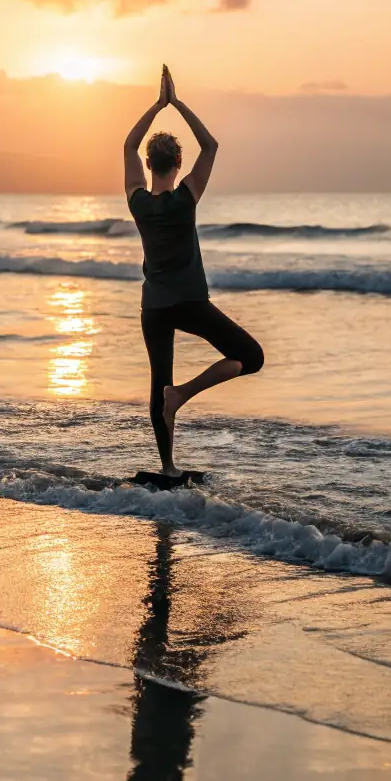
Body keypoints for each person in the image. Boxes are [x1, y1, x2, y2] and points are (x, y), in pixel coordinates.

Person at [124, 66, 264, 476]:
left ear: (149, 165)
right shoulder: (187, 197)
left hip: (154, 307)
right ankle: (183, 394)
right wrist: (177, 102)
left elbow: (127, 146)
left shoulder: (137, 202)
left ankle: (168, 467)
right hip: (190, 303)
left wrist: (156, 105)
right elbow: (212, 144)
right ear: (178, 164)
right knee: (250, 357)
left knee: (157, 383)